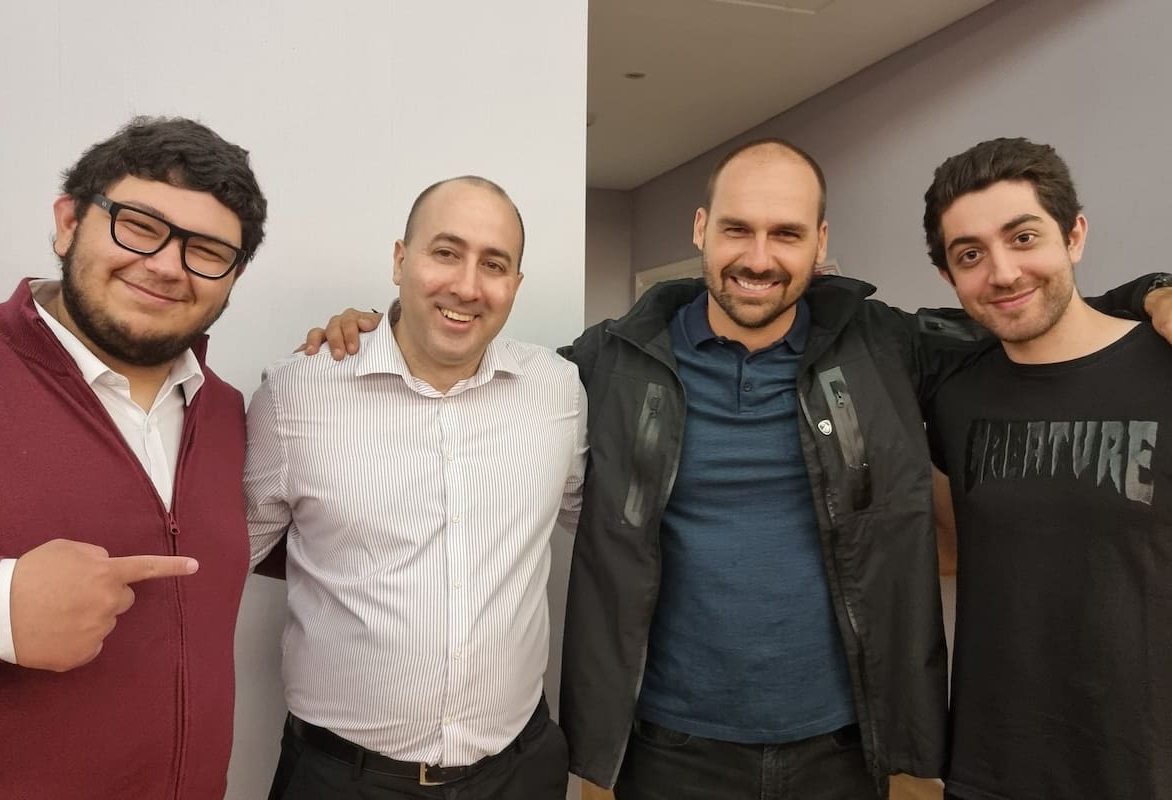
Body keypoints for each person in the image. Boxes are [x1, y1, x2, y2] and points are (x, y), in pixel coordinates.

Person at [305, 139, 1168, 800]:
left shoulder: (889, 347)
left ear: (820, 244)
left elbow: (1028, 311)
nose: (759, 256)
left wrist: (1151, 290)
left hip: (848, 746)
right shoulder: (609, 365)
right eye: (738, 230)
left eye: (787, 233)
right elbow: (470, 369)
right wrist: (377, 328)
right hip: (667, 748)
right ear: (700, 232)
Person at [246, 176, 587, 800]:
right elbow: (228, 551)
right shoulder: (298, 394)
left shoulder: (558, 392)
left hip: (519, 770)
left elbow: (600, 526)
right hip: (345, 779)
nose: (466, 285)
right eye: (445, 252)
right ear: (401, 259)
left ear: (515, 284)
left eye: (494, 264)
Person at [0, 116, 267, 798]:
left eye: (207, 250)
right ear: (70, 221)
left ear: (234, 276)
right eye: (139, 225)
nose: (167, 265)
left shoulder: (225, 412)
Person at [922, 137, 1172, 800]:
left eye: (1024, 237)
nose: (1002, 273)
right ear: (950, 277)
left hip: (1146, 769)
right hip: (990, 769)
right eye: (969, 254)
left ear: (1074, 236)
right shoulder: (955, 394)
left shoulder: (1165, 362)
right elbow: (955, 548)